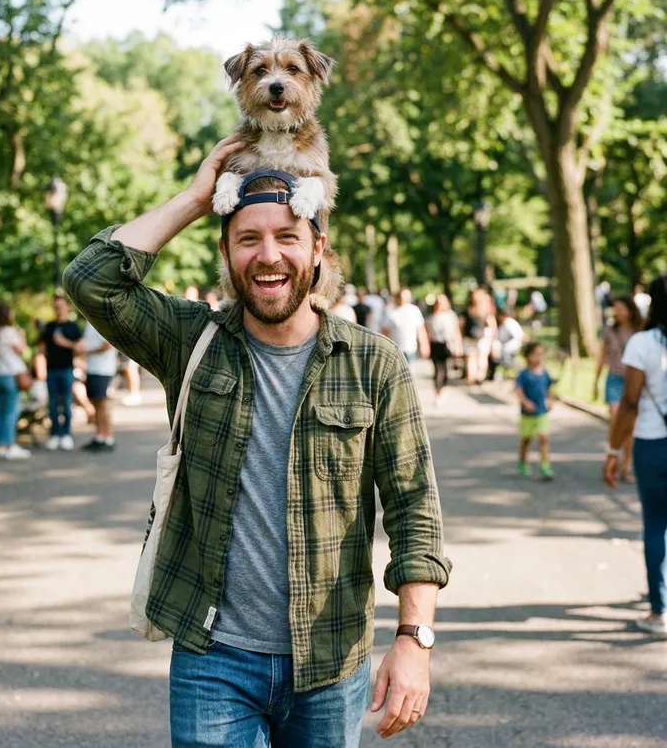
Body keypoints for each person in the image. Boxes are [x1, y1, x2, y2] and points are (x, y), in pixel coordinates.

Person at [63, 138, 451, 745]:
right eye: (248, 238)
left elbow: (414, 509)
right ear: (226, 252)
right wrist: (196, 200)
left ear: (317, 248)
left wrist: (414, 638)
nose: (268, 255)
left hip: (330, 660)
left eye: (287, 236)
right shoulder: (190, 340)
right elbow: (91, 280)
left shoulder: (374, 363)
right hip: (212, 659)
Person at [603, 275, 667, 636]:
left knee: (656, 525)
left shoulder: (644, 343)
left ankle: (660, 611)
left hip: (652, 442)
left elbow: (630, 402)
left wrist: (613, 450)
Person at [594, 296, 643, 483]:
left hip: (632, 380)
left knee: (630, 426)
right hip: (614, 379)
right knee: (616, 419)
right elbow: (602, 355)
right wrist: (596, 381)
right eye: (615, 308)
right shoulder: (609, 330)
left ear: (630, 310)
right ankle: (612, 456)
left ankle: (626, 466)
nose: (617, 312)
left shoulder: (640, 331)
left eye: (621, 308)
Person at [39, 296, 82, 451]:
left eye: (61, 306)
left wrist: (64, 342)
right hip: (51, 370)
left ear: (67, 307)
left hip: (66, 369)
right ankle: (55, 434)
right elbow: (42, 349)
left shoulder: (73, 327)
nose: (58, 309)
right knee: (52, 404)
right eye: (55, 307)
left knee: (67, 402)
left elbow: (80, 348)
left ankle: (66, 434)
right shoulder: (49, 327)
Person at [0, 304, 31, 460]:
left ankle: (0, 444)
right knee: (11, 412)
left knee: (2, 411)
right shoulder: (8, 331)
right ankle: (10, 445)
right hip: (10, 376)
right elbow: (21, 350)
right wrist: (22, 336)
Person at [516, 342, 555, 481]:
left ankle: (545, 465)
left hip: (541, 413)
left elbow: (549, 388)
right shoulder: (524, 374)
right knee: (526, 439)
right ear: (527, 356)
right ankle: (522, 461)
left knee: (544, 438)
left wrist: (550, 400)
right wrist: (525, 402)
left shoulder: (545, 373)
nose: (539, 357)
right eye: (535, 354)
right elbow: (518, 390)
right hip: (527, 415)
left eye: (541, 354)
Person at [79, 321, 118, 452]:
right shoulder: (89, 321)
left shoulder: (104, 321)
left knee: (102, 403)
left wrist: (88, 351)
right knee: (96, 403)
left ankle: (108, 437)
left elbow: (108, 344)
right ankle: (100, 435)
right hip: (93, 368)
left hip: (103, 369)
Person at [426, 294, 462, 402]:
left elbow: (456, 331)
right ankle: (438, 390)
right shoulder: (431, 317)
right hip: (435, 344)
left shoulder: (451, 316)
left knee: (446, 369)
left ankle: (443, 388)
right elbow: (427, 333)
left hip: (447, 344)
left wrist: (458, 345)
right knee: (438, 369)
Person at [381, 289, 430, 363]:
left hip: (411, 349)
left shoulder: (414, 310)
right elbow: (384, 332)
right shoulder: (391, 312)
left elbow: (420, 329)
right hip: (395, 350)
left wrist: (424, 345)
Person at [462, 288, 496, 384]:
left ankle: (471, 377)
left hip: (469, 337)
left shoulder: (468, 310)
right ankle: (480, 376)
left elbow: (462, 324)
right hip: (482, 337)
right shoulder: (486, 311)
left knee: (471, 359)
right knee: (482, 357)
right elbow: (492, 325)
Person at [488, 310, 524, 381]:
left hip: (510, 347)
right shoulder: (503, 324)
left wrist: (502, 348)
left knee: (506, 360)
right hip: (504, 346)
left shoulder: (509, 323)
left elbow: (518, 336)